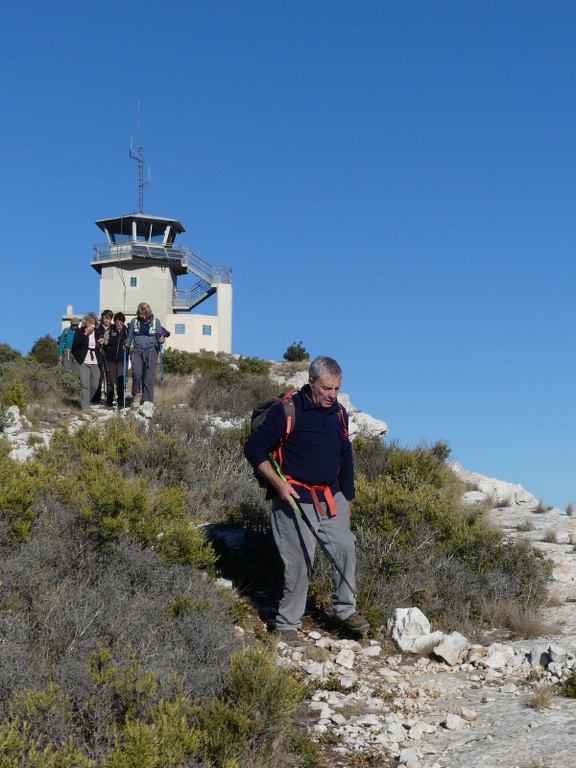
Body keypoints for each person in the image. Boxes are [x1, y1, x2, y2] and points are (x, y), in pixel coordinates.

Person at [244, 356, 369, 647]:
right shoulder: (286, 410)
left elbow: (344, 456)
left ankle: (345, 610)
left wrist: (347, 496)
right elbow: (254, 448)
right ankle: (287, 624)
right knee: (300, 560)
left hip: (330, 495)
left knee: (345, 547)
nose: (332, 395)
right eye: (326, 388)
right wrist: (279, 485)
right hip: (294, 497)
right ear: (311, 382)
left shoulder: (339, 414)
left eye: (336, 389)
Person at [125, 302, 164, 406]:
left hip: (151, 350)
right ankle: (136, 395)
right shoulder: (134, 321)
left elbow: (161, 337)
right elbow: (130, 336)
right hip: (136, 350)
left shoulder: (156, 322)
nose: (143, 317)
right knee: (137, 374)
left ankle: (147, 401)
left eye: (146, 314)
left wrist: (161, 339)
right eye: (141, 314)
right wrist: (127, 344)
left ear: (149, 313)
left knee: (149, 377)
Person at [71, 312, 102, 409]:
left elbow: (101, 337)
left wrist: (102, 340)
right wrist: (85, 334)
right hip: (83, 361)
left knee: (95, 385)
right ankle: (84, 407)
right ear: (85, 322)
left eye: (93, 322)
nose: (91, 324)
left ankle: (86, 401)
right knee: (85, 384)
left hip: (95, 361)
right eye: (89, 322)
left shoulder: (97, 332)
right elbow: (75, 344)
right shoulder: (80, 331)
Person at [103, 312, 128, 408]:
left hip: (122, 360)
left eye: (121, 321)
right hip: (110, 359)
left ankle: (121, 401)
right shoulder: (110, 330)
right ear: (115, 321)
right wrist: (105, 344)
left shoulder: (126, 331)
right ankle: (109, 400)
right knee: (110, 380)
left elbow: (131, 342)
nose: (119, 323)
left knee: (121, 380)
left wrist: (128, 346)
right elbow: (105, 341)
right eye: (117, 321)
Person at [92, 309, 114, 404]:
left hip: (109, 355)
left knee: (109, 378)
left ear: (110, 319)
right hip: (98, 354)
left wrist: (107, 343)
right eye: (104, 318)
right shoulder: (97, 328)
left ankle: (109, 399)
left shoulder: (113, 328)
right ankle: (95, 399)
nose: (106, 320)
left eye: (108, 319)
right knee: (98, 377)